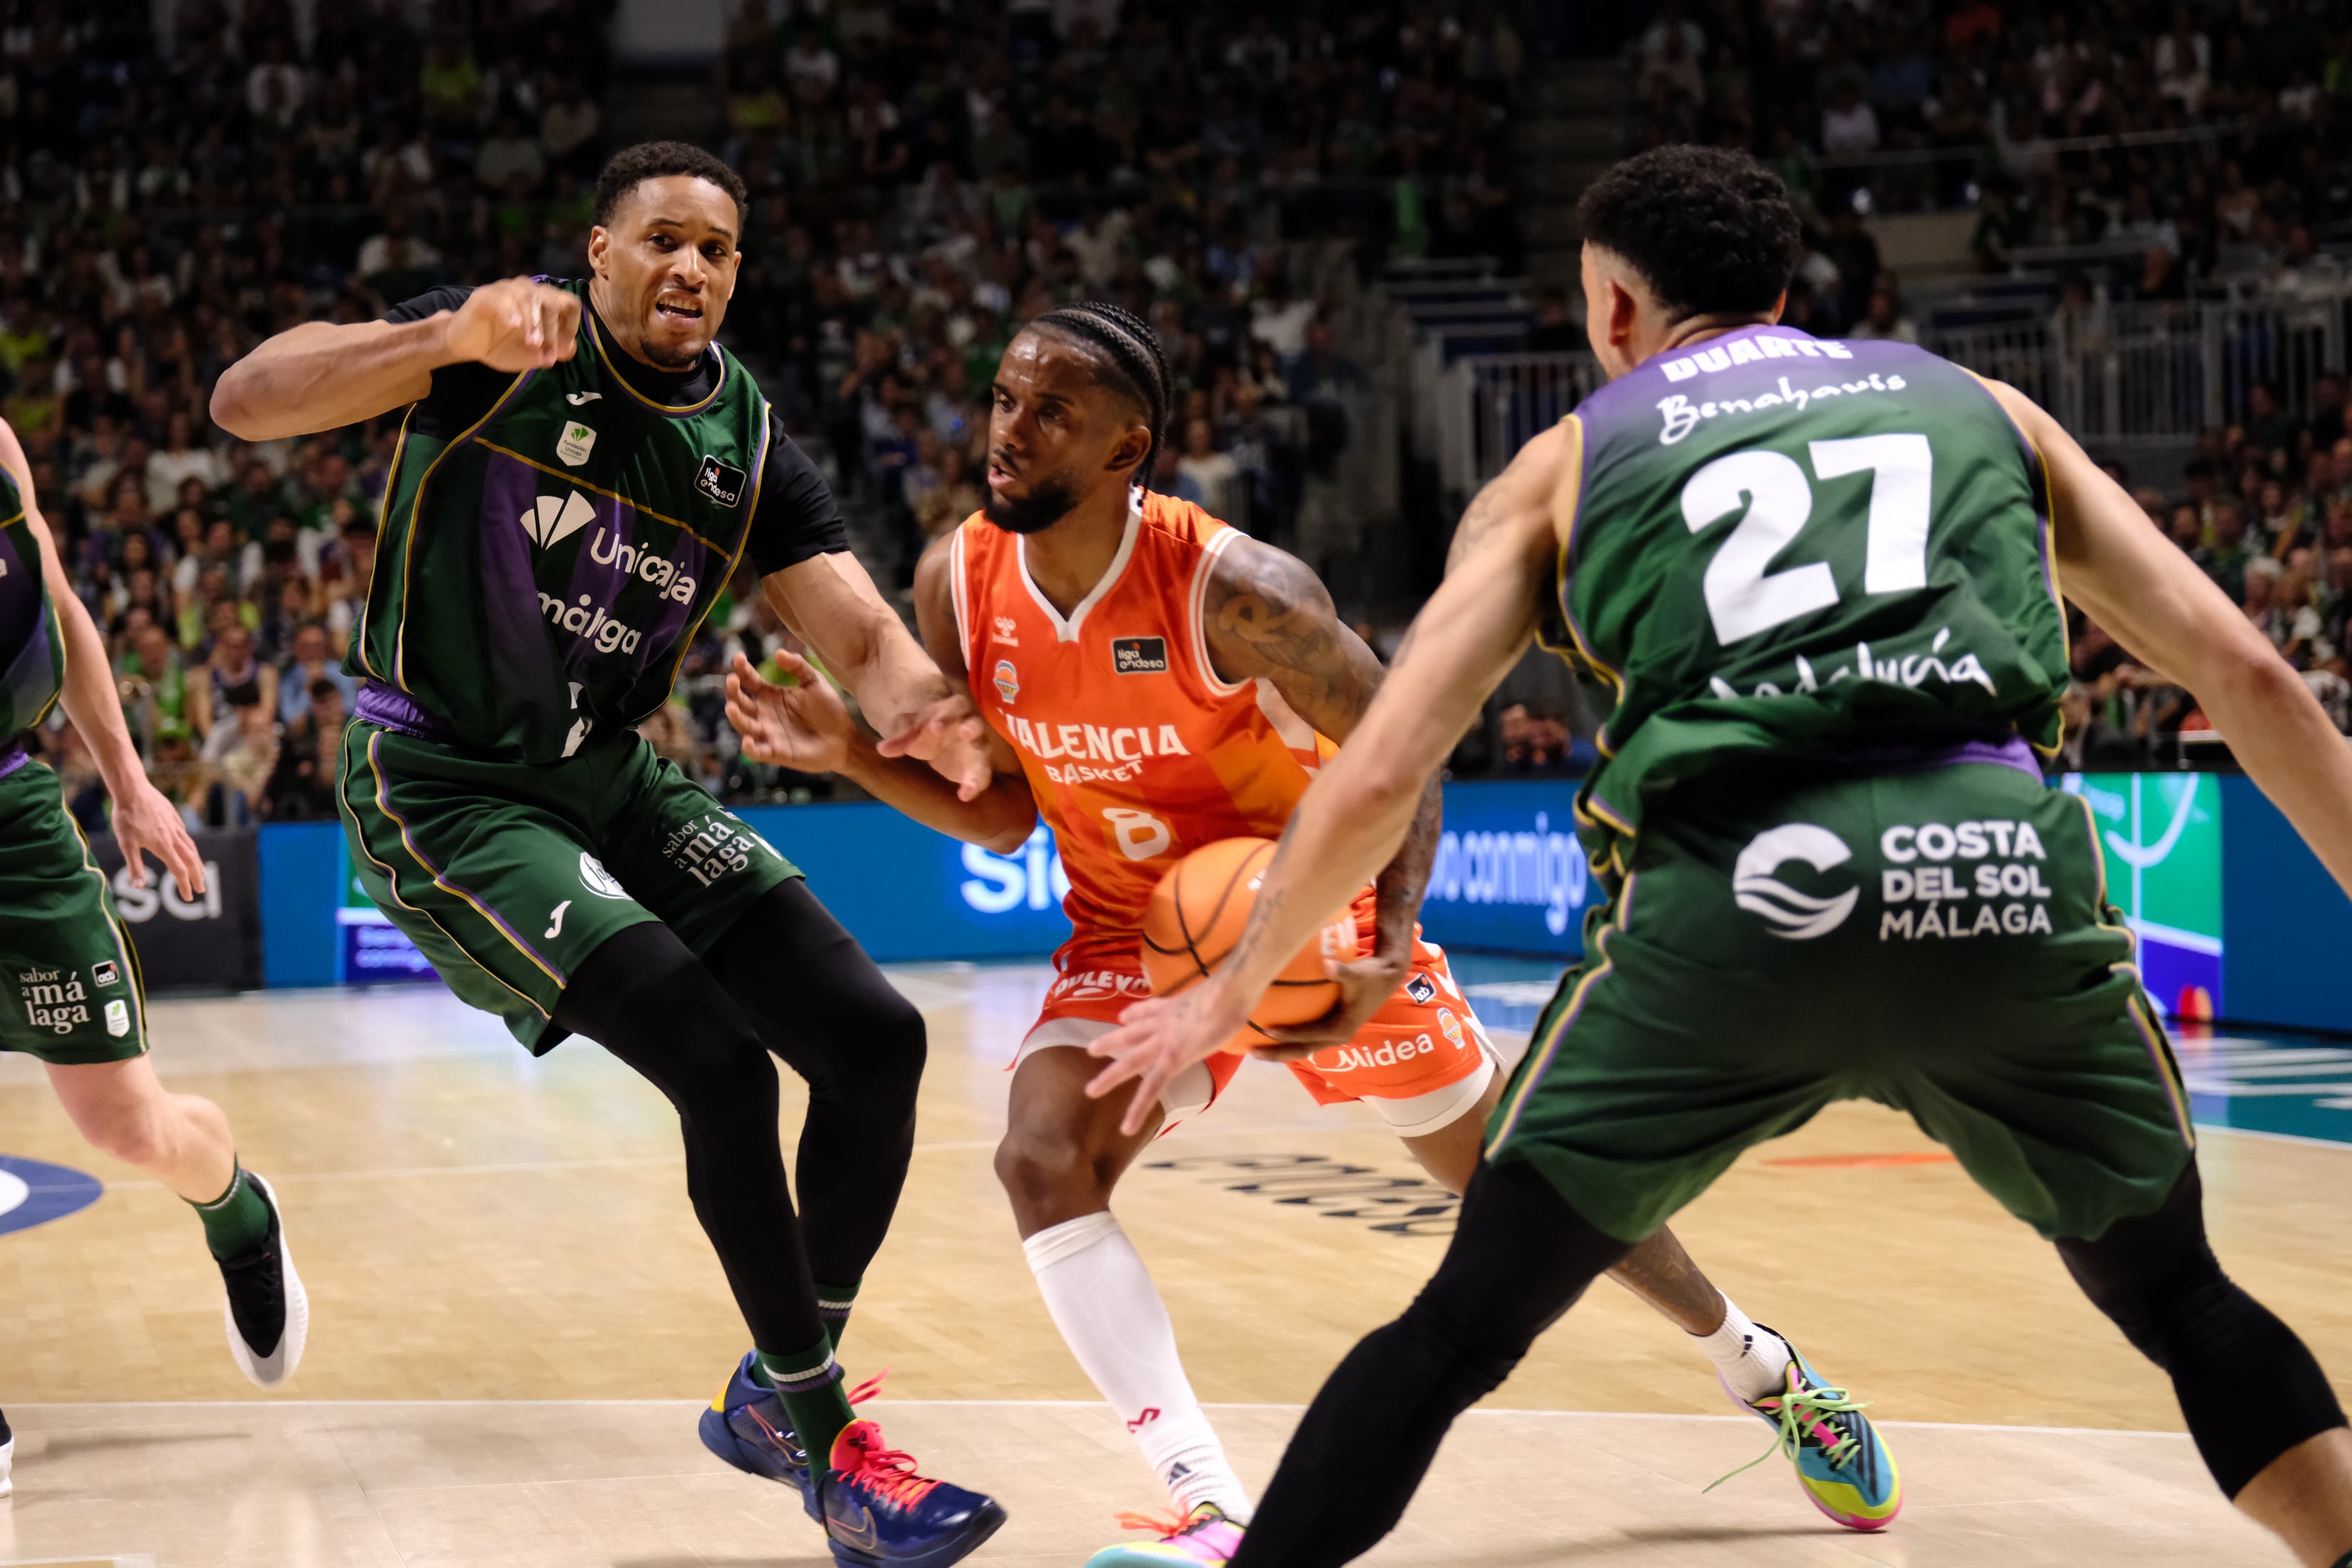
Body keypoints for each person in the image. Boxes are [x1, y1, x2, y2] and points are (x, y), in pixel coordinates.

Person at [1086, 146, 2352, 1568]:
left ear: (1617, 310)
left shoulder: (1562, 464)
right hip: (1994, 868)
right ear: (1778, 289)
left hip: (1736, 904)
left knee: (1460, 1326)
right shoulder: (1982, 409)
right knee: (2183, 1296)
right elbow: (2247, 672)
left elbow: (1383, 765)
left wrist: (1233, 980)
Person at [724, 302, 1897, 1567]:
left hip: (1310, 913)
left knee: (1530, 1197)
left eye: (1051, 411)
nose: (1009, 432)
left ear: (1129, 451)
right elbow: (1007, 814)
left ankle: (1761, 1367)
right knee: (1041, 1158)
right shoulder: (959, 578)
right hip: (1135, 933)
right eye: (1005, 399)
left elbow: (1407, 743)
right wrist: (850, 751)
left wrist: (1388, 940)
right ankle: (1211, 1508)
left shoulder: (1243, 594)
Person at [210, 140, 1004, 1568]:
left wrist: (935, 719)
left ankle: (782, 1382)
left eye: (715, 248)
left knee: (876, 1039)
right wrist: (440, 332)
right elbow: (246, 401)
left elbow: (870, 645)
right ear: (598, 252)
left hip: (611, 777)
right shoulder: (503, 352)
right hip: (443, 784)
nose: (689, 265)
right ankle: (832, 1453)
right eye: (662, 240)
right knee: (717, 1060)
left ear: (737, 275)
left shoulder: (747, 438)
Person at [0, 413, 308, 1507]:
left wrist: (127, 780)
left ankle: (239, 1212)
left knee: (127, 1127)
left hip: (10, 822)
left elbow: (58, 605)